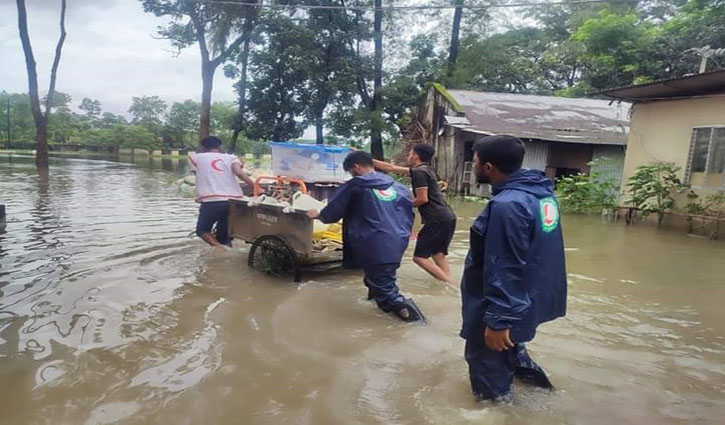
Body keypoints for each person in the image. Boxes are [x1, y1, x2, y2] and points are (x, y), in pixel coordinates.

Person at [460, 135, 567, 402]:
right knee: (512, 350)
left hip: (500, 306)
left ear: (488, 167)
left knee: (489, 374)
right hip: (526, 299)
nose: (472, 165)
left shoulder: (508, 205)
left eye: (474, 160)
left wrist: (498, 320)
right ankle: (548, 398)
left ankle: (500, 413)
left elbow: (504, 264)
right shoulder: (541, 195)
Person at [306, 151, 425, 322]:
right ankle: (377, 316)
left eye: (350, 172)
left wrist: (317, 214)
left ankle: (419, 326)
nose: (351, 175)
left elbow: (332, 213)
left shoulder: (356, 185)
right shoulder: (398, 187)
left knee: (386, 293)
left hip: (374, 243)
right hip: (397, 241)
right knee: (375, 280)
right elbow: (409, 215)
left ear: (355, 167)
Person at [371, 144, 457, 286]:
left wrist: (398, 207)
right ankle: (449, 286)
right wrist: (366, 159)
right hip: (447, 216)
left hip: (436, 219)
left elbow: (422, 199)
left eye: (410, 154)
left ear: (415, 156)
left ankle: (452, 285)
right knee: (438, 255)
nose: (408, 156)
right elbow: (390, 168)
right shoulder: (426, 169)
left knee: (419, 258)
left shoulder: (419, 173)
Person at [189, 136, 255, 248]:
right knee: (224, 236)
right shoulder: (231, 157)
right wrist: (255, 186)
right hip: (234, 201)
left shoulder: (195, 158)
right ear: (219, 146)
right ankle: (226, 251)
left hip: (211, 200)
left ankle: (220, 250)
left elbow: (198, 174)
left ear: (203, 147)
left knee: (202, 230)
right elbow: (239, 173)